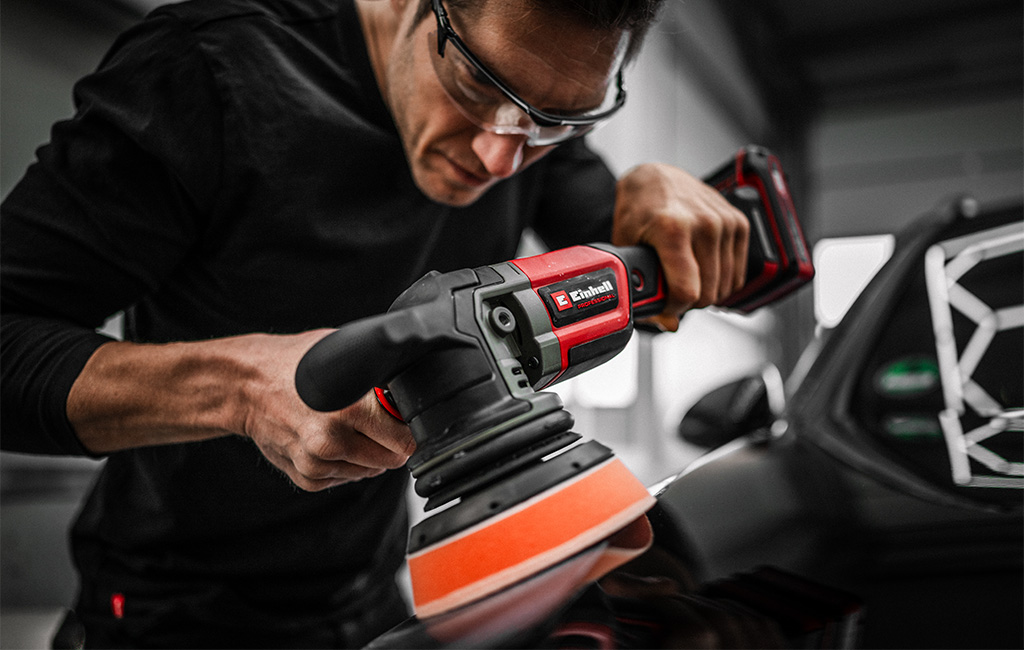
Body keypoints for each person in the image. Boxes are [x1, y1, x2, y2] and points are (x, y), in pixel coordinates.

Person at [0, 0, 749, 646]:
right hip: (172, 612)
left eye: (558, 120)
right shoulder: (206, 69)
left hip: (379, 594)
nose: (499, 155)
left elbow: (637, 288)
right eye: (474, 83)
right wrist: (242, 390)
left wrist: (661, 202)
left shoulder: (531, 129)